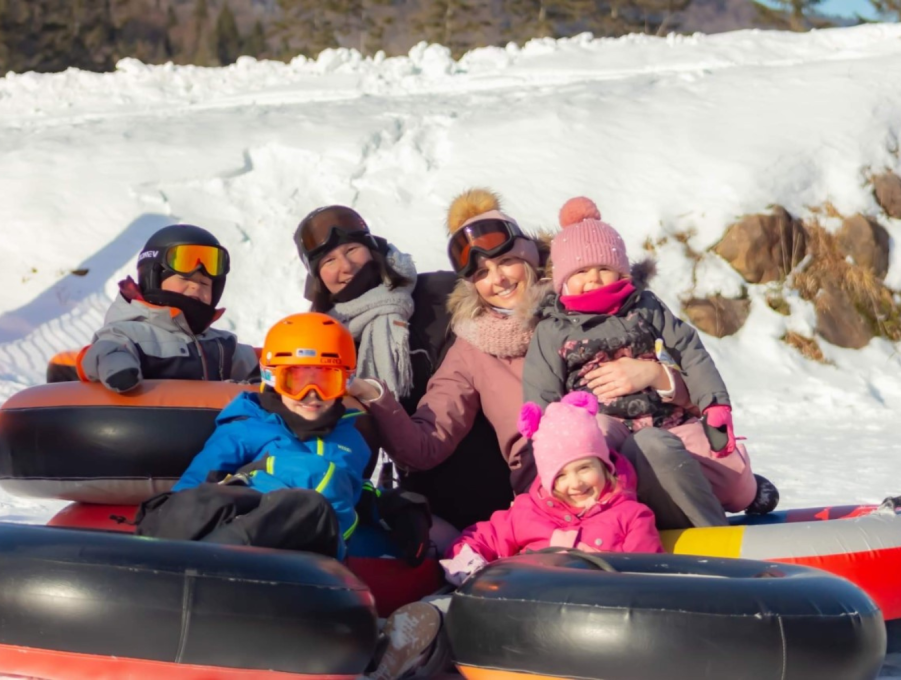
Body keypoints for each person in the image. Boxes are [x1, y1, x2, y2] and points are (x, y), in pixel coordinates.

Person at [523, 197, 778, 524]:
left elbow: (688, 349)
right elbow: (541, 390)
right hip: (606, 424)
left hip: (668, 418)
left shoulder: (645, 306)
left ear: (621, 272)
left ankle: (748, 491)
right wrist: (546, 428)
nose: (594, 278)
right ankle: (610, 522)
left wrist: (713, 404)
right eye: (582, 271)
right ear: (563, 280)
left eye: (604, 268)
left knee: (731, 479)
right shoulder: (552, 329)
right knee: (589, 435)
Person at [295, 204, 511, 530]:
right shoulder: (325, 339)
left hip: (494, 474)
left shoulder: (440, 292)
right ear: (317, 278)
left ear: (374, 249)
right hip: (418, 500)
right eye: (329, 261)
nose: (347, 265)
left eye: (353, 249)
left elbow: (509, 305)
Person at [346, 188, 550, 500]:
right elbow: (427, 443)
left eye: (507, 261)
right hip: (544, 489)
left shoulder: (580, 302)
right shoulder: (473, 346)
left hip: (619, 462)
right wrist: (376, 396)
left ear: (530, 256)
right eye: (482, 272)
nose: (499, 279)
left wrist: (653, 377)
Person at [135, 313, 374, 560]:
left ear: (346, 382)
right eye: (294, 381)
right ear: (271, 378)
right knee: (209, 503)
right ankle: (174, 566)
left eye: (327, 381)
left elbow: (349, 497)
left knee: (310, 504)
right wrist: (258, 477)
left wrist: (382, 503)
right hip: (245, 536)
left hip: (312, 552)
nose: (311, 394)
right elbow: (193, 492)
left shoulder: (351, 439)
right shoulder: (246, 428)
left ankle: (199, 568)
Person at [441, 392, 663, 583]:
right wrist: (468, 563)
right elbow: (481, 538)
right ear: (547, 479)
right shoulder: (527, 512)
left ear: (605, 466)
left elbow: (645, 575)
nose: (576, 483)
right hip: (531, 604)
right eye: (561, 475)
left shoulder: (631, 516)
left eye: (585, 467)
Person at [79, 224, 258, 393]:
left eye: (204, 283)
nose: (196, 287)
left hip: (213, 425)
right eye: (185, 279)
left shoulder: (223, 344)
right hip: (149, 424)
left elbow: (264, 362)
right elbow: (106, 349)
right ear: (153, 278)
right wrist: (116, 364)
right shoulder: (130, 334)